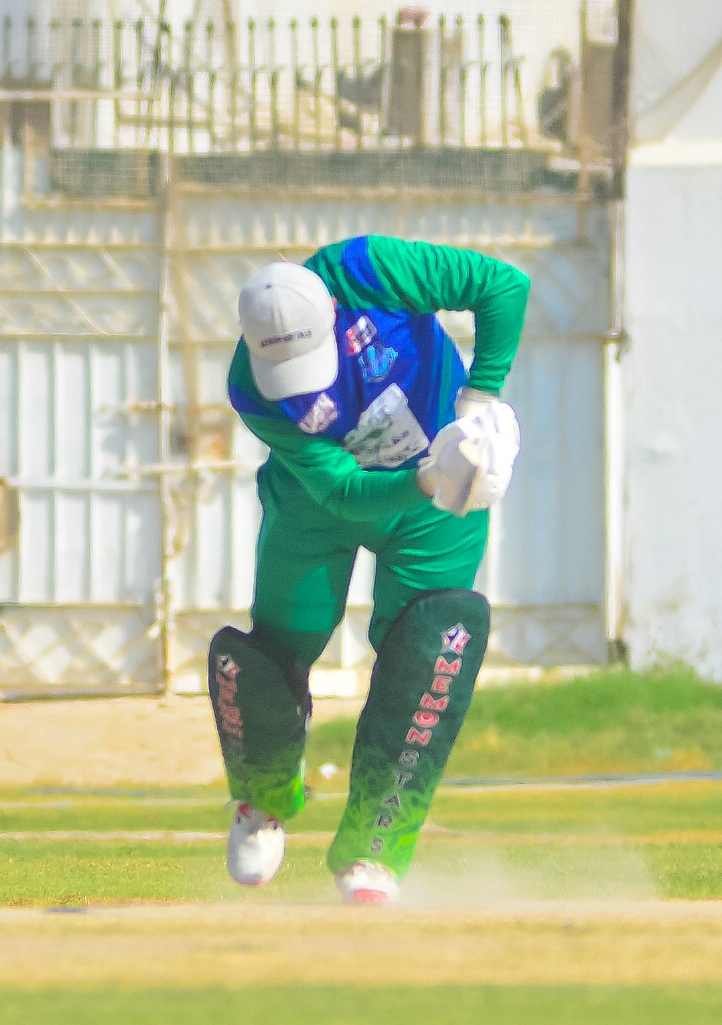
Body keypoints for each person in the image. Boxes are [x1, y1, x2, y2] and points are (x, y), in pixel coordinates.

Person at [208, 235, 528, 904]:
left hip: (438, 505)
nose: (305, 381)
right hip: (320, 505)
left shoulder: (369, 268)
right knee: (275, 651)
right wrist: (427, 478)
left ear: (332, 308)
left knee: (429, 647)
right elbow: (340, 491)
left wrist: (479, 401)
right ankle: (264, 799)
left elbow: (503, 287)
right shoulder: (252, 387)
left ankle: (373, 851)